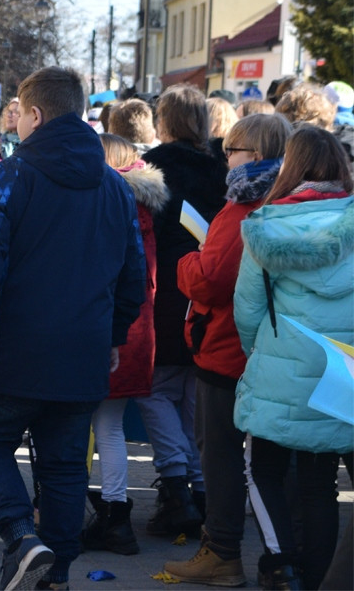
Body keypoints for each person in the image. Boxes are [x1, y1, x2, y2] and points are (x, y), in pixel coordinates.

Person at [0, 66, 146, 590]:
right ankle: (55, 571)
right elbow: (133, 277)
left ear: (33, 114)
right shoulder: (116, 188)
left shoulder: (7, 179)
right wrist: (114, 335)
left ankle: (21, 537)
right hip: (83, 349)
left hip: (13, 348)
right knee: (63, 466)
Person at [163, 113, 290, 587]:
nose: (224, 158)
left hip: (227, 348)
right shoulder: (287, 202)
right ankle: (267, 552)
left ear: (254, 156)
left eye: (232, 150)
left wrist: (187, 261)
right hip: (270, 350)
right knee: (269, 464)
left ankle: (221, 553)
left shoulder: (241, 211)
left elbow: (211, 279)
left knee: (219, 456)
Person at [233, 126, 353, 590]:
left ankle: (281, 567)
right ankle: (320, 577)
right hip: (340, 375)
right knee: (321, 483)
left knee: (263, 470)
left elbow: (247, 310)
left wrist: (260, 356)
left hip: (280, 365)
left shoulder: (265, 226)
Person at [136, 84, 228, 538]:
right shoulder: (223, 169)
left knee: (154, 389)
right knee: (193, 393)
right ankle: (199, 489)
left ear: (165, 119)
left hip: (168, 289)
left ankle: (175, 486)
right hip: (213, 290)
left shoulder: (155, 167)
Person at [83, 134, 167, 556]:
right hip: (138, 330)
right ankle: (116, 514)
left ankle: (99, 515)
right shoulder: (145, 207)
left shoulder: (106, 204)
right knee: (110, 428)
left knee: (89, 428)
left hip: (108, 332)